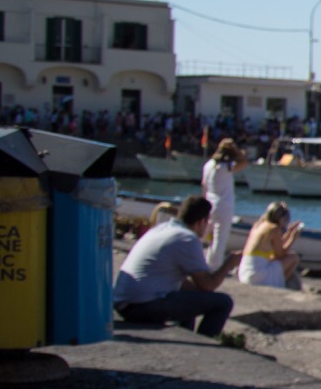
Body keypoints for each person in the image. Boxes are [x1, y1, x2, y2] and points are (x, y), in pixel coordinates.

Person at [114, 193, 241, 334]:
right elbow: (208, 285)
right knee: (223, 303)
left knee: (191, 298)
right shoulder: (187, 238)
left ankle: (186, 334)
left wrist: (200, 295)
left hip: (123, 303)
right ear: (201, 222)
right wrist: (229, 264)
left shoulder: (161, 229)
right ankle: (206, 345)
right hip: (142, 306)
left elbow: (185, 284)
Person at [238, 200, 305, 288]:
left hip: (244, 273)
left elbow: (276, 245)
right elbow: (281, 254)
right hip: (256, 275)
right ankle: (281, 284)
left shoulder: (259, 225)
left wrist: (288, 233)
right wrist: (293, 238)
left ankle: (277, 282)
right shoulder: (274, 229)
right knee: (294, 258)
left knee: (275, 258)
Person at [201, 138, 243, 266]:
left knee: (202, 235)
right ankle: (214, 265)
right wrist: (235, 149)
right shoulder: (227, 167)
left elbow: (203, 184)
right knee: (219, 239)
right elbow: (244, 161)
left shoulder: (208, 165)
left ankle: (197, 259)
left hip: (209, 203)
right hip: (224, 206)